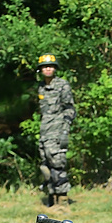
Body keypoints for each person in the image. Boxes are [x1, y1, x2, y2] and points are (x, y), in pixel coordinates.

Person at [35, 54, 75, 207]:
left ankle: (63, 200)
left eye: (50, 66)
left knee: (58, 163)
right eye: (45, 66)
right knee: (46, 165)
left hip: (57, 130)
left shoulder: (62, 85)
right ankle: (52, 199)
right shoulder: (41, 87)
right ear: (40, 69)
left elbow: (70, 109)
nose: (48, 69)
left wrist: (64, 130)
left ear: (55, 68)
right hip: (45, 130)